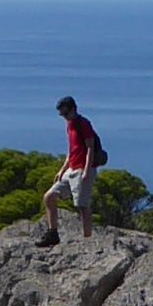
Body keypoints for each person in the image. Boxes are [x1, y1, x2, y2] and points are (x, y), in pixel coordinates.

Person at [40, 95, 104, 244]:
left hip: (82, 170)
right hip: (71, 169)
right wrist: (62, 170)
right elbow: (72, 150)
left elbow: (90, 148)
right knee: (49, 197)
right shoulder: (70, 125)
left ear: (74, 109)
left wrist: (87, 171)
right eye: (61, 114)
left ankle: (88, 239)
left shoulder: (84, 124)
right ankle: (53, 233)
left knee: (82, 206)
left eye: (66, 113)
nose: (64, 117)